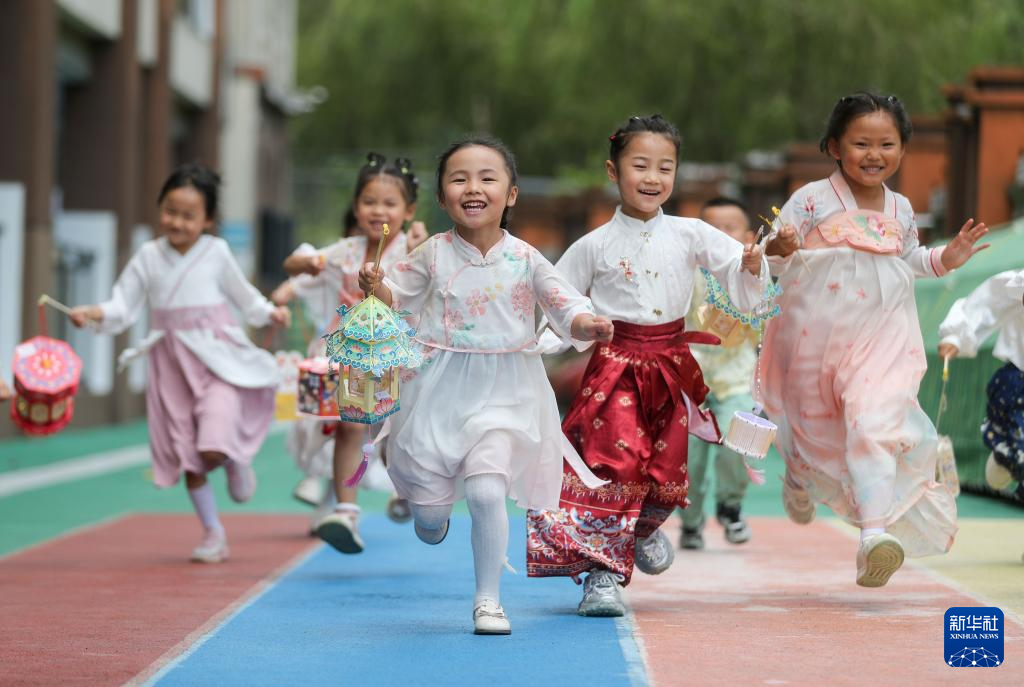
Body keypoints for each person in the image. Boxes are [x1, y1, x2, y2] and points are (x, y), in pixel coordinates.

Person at [359, 135, 613, 635]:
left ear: (510, 194)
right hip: (437, 391)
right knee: (428, 513)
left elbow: (563, 302)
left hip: (505, 392)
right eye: (459, 179)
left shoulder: (526, 257)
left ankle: (488, 600)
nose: (473, 188)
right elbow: (395, 298)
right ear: (441, 197)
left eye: (487, 178)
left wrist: (586, 323)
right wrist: (375, 285)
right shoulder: (432, 254)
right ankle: (430, 516)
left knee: (485, 488)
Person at [526, 115, 768, 617]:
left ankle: (641, 527)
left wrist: (753, 262)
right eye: (640, 165)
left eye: (665, 167)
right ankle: (601, 576)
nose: (653, 177)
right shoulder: (592, 245)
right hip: (615, 368)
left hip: (671, 366)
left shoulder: (691, 232)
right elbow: (556, 299)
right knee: (611, 464)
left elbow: (739, 265)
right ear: (613, 171)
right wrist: (579, 324)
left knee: (664, 467)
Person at [760, 92, 989, 587]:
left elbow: (906, 259)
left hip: (881, 339)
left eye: (887, 144)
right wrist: (779, 245)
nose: (874, 154)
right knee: (809, 426)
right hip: (814, 338)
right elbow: (772, 259)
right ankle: (798, 475)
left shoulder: (901, 207)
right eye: (861, 143)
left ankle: (873, 536)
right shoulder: (812, 199)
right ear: (834, 147)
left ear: (903, 149)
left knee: (873, 425)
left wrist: (945, 259)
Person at [69, 163, 290, 563]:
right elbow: (122, 305)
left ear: (207, 220)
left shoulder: (216, 252)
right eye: (170, 211)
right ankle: (212, 533)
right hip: (171, 367)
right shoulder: (147, 256)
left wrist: (269, 313)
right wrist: (93, 313)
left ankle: (233, 458)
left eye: (189, 215)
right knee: (190, 454)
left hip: (218, 360)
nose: (177, 222)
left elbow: (245, 297)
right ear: (160, 209)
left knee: (214, 441)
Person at [282, 153, 428, 551]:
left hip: (396, 355)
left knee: (396, 432)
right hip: (350, 354)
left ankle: (405, 491)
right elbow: (291, 264)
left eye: (389, 203)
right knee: (349, 425)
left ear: (408, 211)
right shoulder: (346, 249)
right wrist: (308, 262)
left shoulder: (416, 250)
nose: (378, 210)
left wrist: (420, 240)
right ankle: (346, 511)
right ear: (356, 206)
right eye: (368, 201)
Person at [679, 197, 768, 549]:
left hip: (737, 379)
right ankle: (690, 522)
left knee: (744, 437)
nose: (720, 234)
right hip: (692, 379)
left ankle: (731, 506)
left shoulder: (757, 275)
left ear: (748, 236)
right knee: (688, 456)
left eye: (729, 228)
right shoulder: (685, 273)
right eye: (712, 228)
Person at [938, 269, 1024, 510]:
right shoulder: (1017, 284)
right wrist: (955, 336)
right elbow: (988, 299)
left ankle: (1008, 454)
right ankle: (1006, 451)